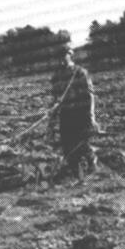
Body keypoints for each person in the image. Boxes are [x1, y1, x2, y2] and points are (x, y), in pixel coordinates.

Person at [47, 47, 101, 181]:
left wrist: (91, 118)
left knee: (82, 144)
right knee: (67, 146)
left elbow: (90, 96)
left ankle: (92, 168)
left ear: (70, 55)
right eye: (58, 56)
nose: (61, 59)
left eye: (64, 55)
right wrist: (51, 122)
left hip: (80, 113)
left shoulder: (80, 72)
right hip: (65, 114)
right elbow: (54, 100)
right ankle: (75, 174)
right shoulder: (56, 77)